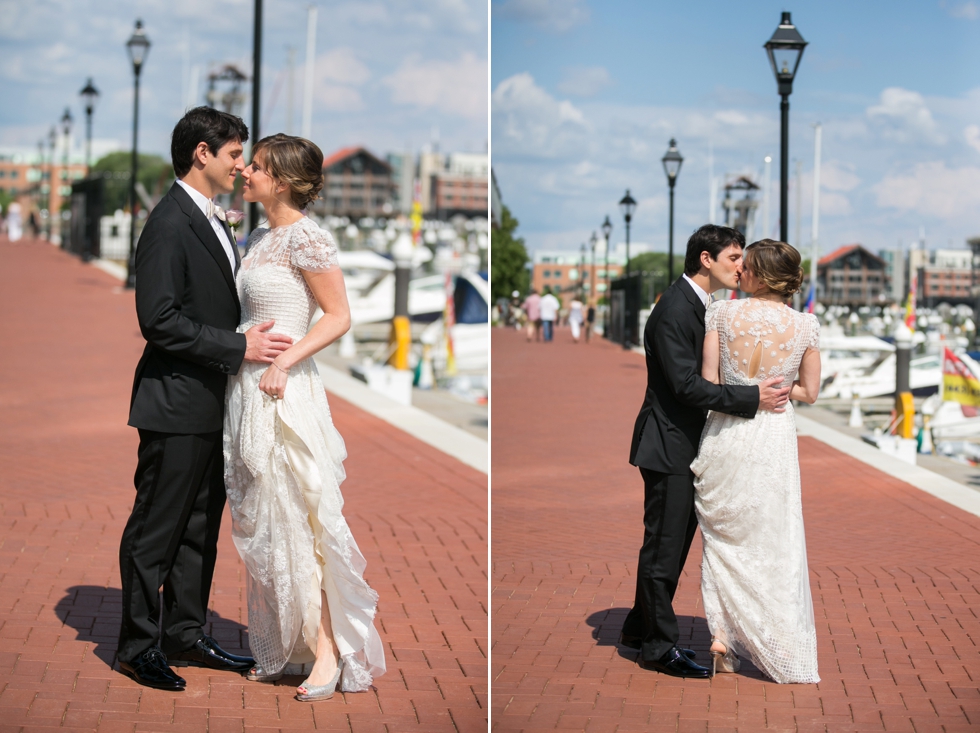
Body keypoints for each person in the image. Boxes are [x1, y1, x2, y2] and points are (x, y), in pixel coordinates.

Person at [120, 107, 293, 691]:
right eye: (234, 155)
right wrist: (239, 346)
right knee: (157, 528)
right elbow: (159, 320)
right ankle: (138, 646)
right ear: (202, 153)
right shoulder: (169, 222)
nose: (241, 166)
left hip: (213, 403)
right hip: (174, 403)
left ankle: (186, 635)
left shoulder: (214, 219)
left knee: (199, 528)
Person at [225, 133, 385, 701]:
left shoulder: (308, 238)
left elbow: (338, 316)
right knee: (266, 523)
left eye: (259, 167)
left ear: (284, 181)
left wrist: (286, 361)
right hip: (246, 388)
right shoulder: (259, 234)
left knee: (300, 517)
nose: (247, 172)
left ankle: (327, 650)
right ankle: (289, 641)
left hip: (284, 391)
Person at [620, 224, 790, 679]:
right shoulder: (675, 309)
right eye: (735, 257)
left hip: (686, 444)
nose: (743, 266)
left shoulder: (701, 306)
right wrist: (751, 399)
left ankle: (639, 628)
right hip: (669, 445)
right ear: (706, 260)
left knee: (669, 548)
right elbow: (685, 385)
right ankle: (657, 648)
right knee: (664, 548)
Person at [692, 239, 821, 683]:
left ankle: (722, 636)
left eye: (746, 266)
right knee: (771, 537)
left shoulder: (722, 314)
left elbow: (709, 382)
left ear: (760, 276)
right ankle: (767, 634)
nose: (739, 271)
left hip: (726, 433)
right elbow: (810, 391)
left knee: (723, 538)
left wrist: (744, 390)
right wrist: (778, 392)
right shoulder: (805, 326)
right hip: (773, 437)